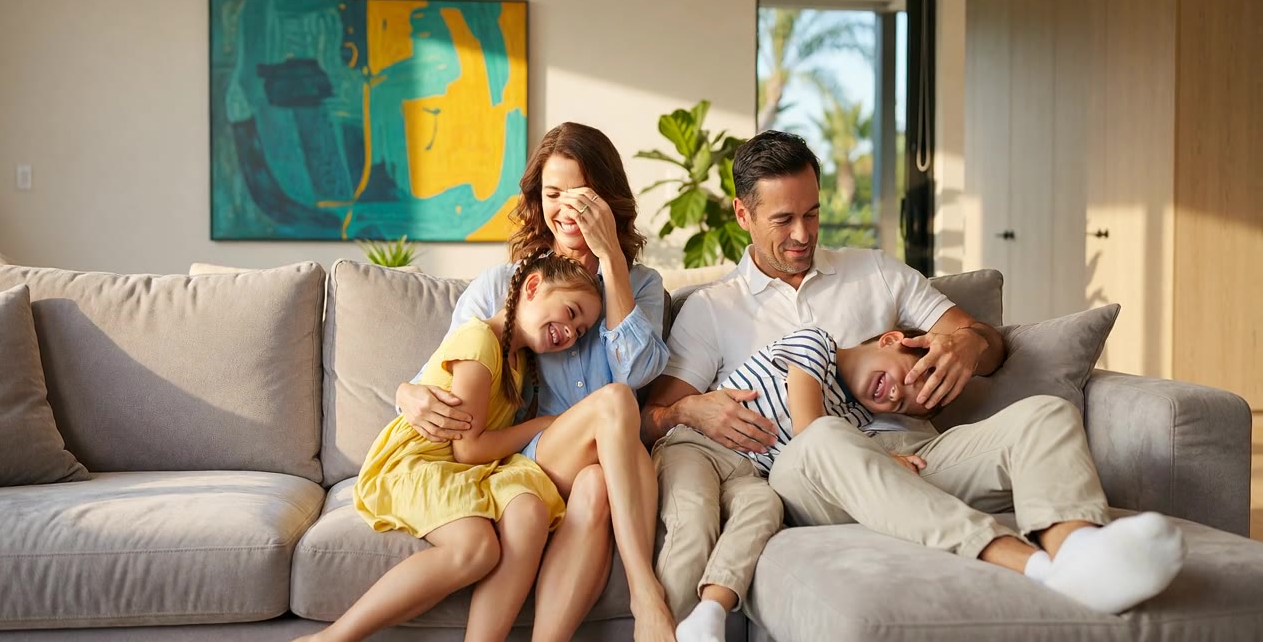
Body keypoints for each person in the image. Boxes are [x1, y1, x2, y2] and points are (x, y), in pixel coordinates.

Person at [642, 131, 1185, 642]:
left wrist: (969, 346)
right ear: (743, 214)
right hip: (810, 476)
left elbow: (985, 343)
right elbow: (654, 418)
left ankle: (1080, 553)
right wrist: (690, 410)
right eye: (783, 220)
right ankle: (1030, 564)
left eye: (812, 213)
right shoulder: (714, 307)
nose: (804, 234)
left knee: (1044, 414)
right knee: (823, 438)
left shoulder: (875, 272)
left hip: (917, 455)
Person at [398, 122, 676, 641]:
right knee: (613, 400)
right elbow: (444, 369)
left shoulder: (643, 285)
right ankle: (645, 591)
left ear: (607, 199)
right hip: (531, 457)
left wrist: (612, 258)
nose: (566, 209)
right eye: (553, 195)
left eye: (581, 196)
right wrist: (404, 392)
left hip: (606, 466)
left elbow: (639, 370)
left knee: (596, 480)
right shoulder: (503, 286)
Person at [298, 253, 602, 642]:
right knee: (477, 549)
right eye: (572, 312)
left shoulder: (519, 362)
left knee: (529, 509)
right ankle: (331, 638)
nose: (573, 331)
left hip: (467, 466)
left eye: (581, 329)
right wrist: (542, 425)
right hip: (421, 460)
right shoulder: (479, 341)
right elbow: (469, 449)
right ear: (531, 288)